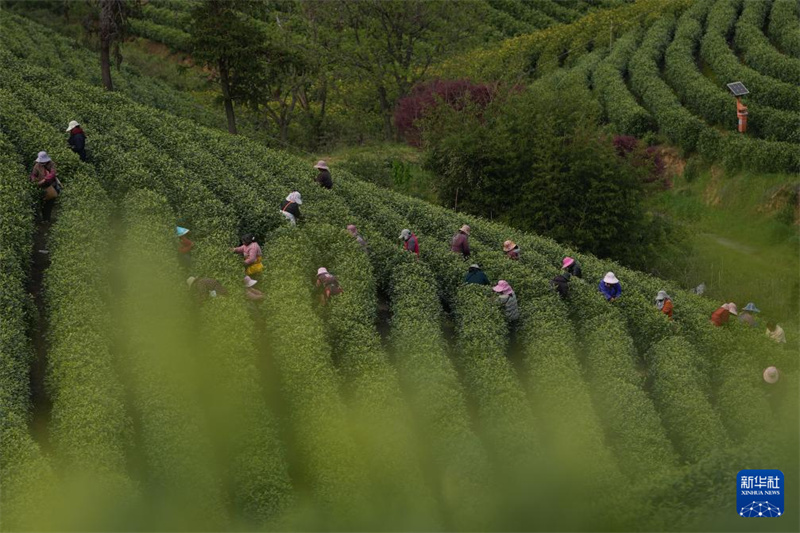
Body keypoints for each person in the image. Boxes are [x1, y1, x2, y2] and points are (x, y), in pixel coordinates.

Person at [30, 151, 61, 222]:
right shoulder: (37, 165)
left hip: (51, 186)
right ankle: (38, 220)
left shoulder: (51, 164)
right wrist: (33, 180)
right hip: (40, 187)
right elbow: (33, 174)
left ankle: (47, 220)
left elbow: (52, 174)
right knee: (38, 204)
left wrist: (44, 180)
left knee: (48, 205)